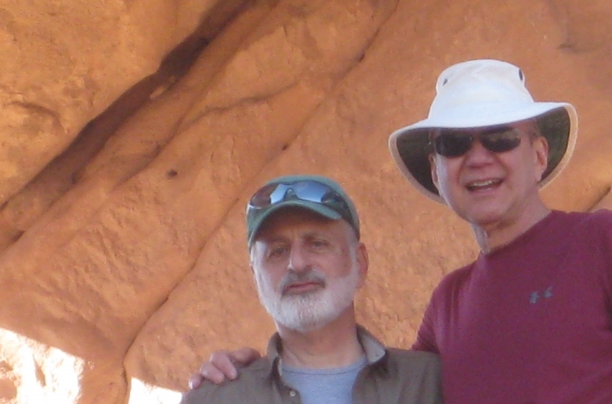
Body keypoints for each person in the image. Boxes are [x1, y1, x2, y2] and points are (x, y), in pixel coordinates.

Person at [189, 59, 612, 403]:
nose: (479, 158)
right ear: (436, 170)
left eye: (500, 137)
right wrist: (233, 377)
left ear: (539, 155)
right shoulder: (449, 303)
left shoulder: (600, 243)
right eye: (454, 145)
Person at [182, 174, 443, 404]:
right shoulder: (217, 399)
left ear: (359, 262)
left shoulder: (430, 384)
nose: (296, 263)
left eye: (317, 244)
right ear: (255, 275)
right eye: (278, 251)